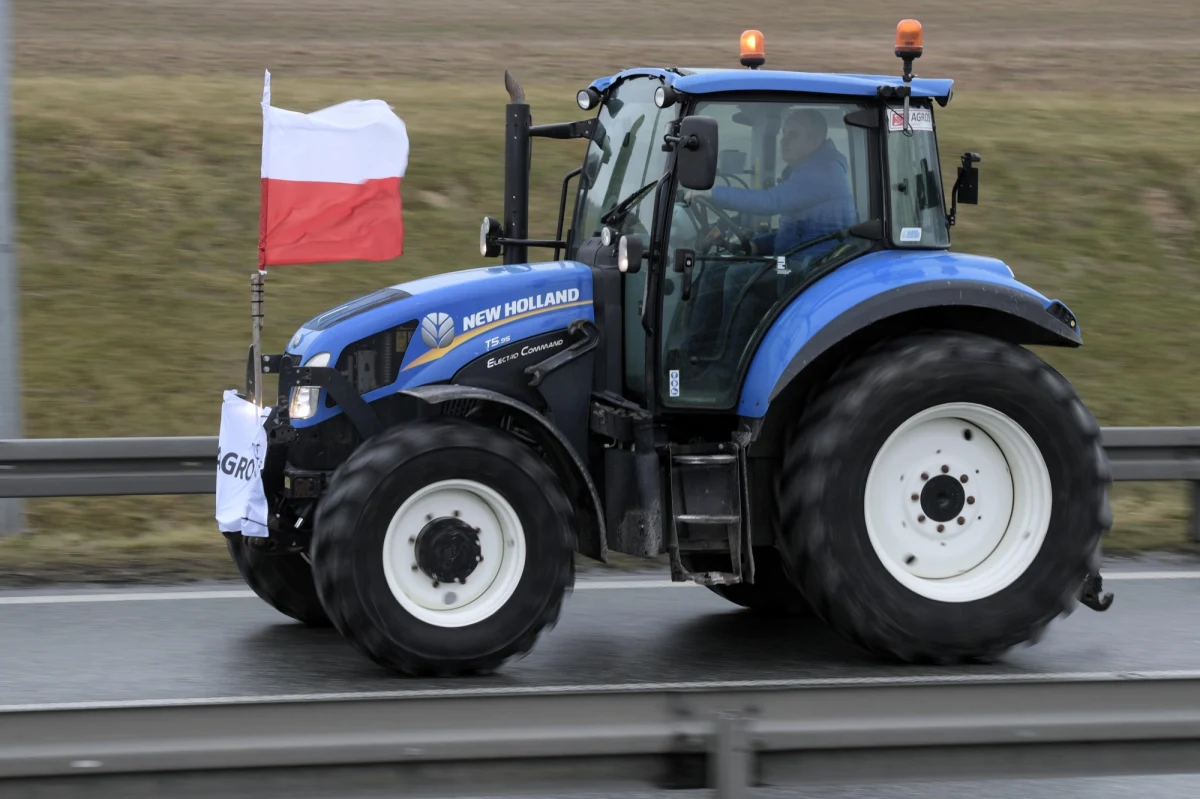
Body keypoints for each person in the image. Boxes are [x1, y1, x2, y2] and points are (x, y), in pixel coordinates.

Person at [687, 107, 858, 258]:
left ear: (815, 141)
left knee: (730, 276)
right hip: (801, 259)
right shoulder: (810, 170)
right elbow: (797, 232)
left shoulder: (822, 172)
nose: (784, 141)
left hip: (810, 266)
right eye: (784, 133)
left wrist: (712, 192)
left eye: (793, 134)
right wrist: (758, 246)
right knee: (728, 270)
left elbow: (771, 201)